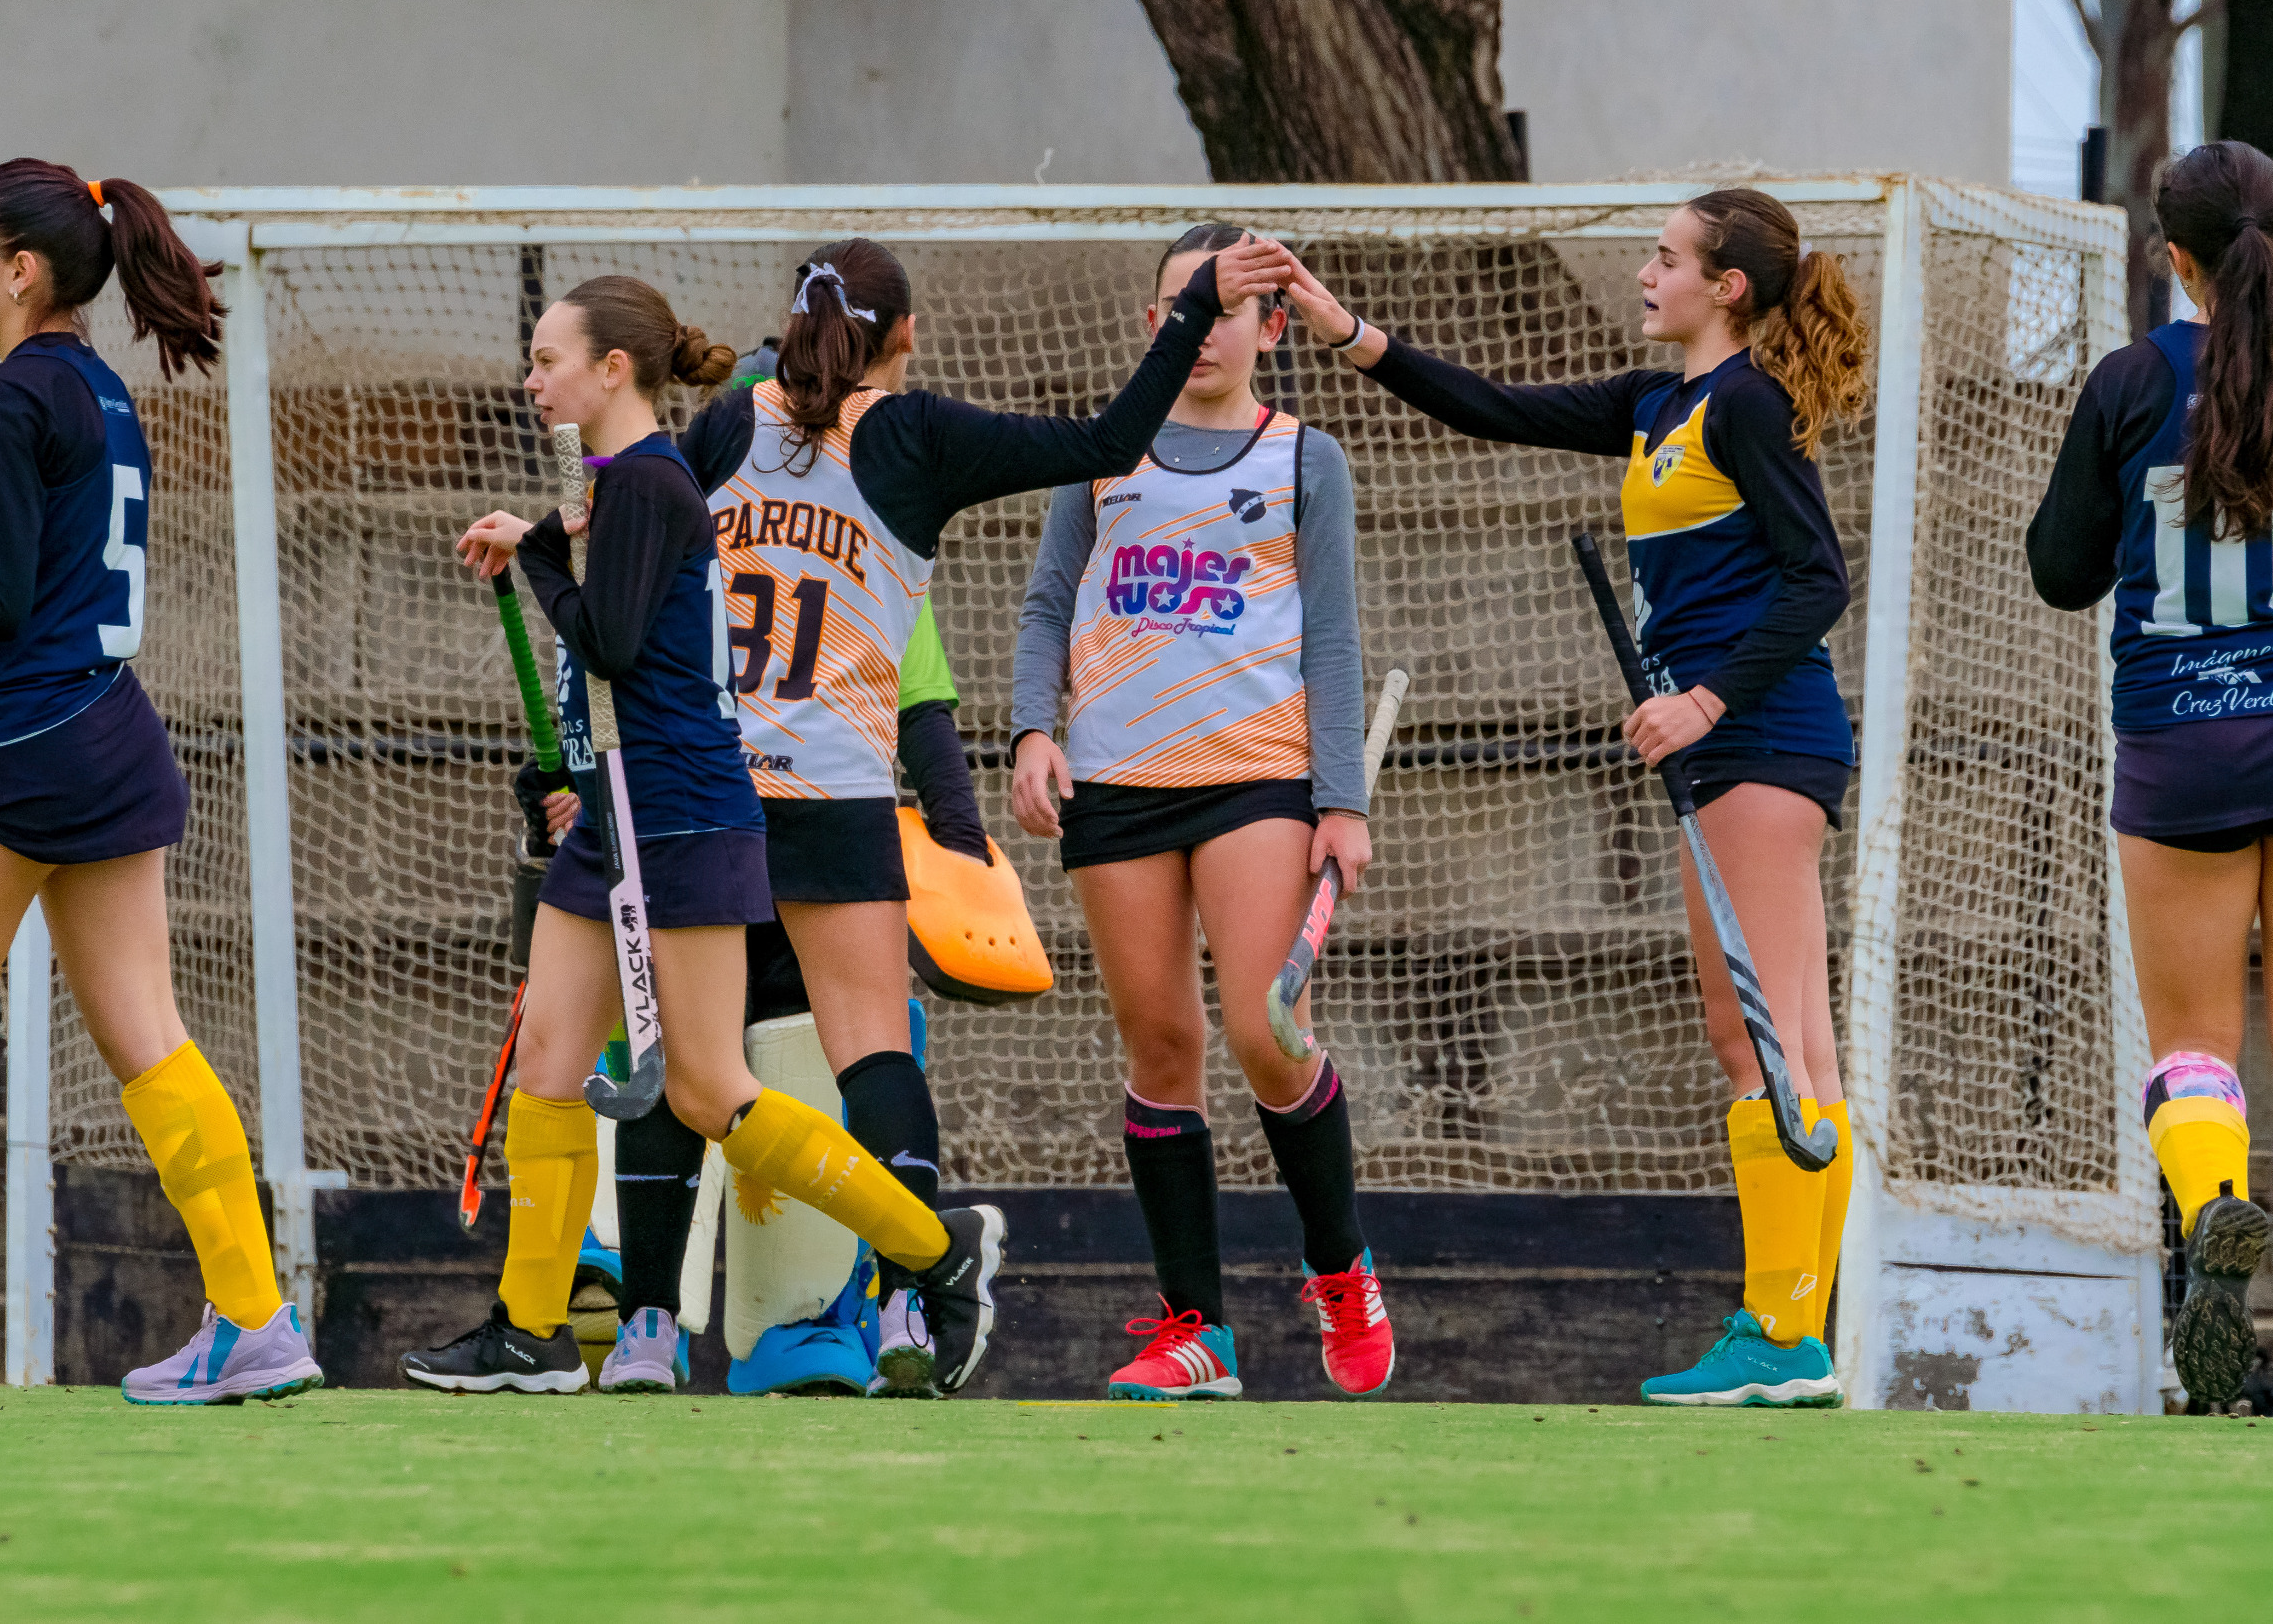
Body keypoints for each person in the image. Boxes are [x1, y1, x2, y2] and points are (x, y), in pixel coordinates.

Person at [1273, 191, 1869, 1408]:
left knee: (1760, 1034)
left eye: (1666, 259)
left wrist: (1701, 699)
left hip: (1759, 734)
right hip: (1733, 747)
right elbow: (1494, 407)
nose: (1644, 273)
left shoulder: (1746, 404)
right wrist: (1346, 331)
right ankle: (1795, 1330)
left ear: (1729, 288)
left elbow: (1818, 578)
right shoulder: (1661, 404)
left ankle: (1784, 1330)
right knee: (1785, 1037)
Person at [651, 232, 1272, 1394]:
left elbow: (652, 555)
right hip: (837, 787)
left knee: (689, 1065)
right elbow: (1103, 442)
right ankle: (907, 1295)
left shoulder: (728, 425)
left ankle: (650, 1317)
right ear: (907, 334)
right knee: (870, 1051)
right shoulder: (914, 434)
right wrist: (1189, 314)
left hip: (715, 782)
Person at [413, 276, 1004, 1395]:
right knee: (548, 1061)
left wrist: (539, 559)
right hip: (618, 814)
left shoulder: (647, 480)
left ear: (613, 369)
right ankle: (528, 1327)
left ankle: (930, 1249)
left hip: (679, 814)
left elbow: (614, 639)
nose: (531, 379)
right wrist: (540, 530)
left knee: (707, 1090)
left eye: (547, 359)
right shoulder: (621, 482)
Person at [0, 159, 323, 1405]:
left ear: (22, 270)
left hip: (22, 747)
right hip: (108, 732)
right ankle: (258, 1321)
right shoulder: (102, 392)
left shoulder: (4, 399)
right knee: (147, 1037)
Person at [2028, 141, 2273, 1427]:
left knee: (2195, 1049)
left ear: (2168, 256)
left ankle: (2208, 1203)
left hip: (2178, 747)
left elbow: (2061, 570)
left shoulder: (2128, 382)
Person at [1010, 223, 1390, 1401]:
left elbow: (1331, 636)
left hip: (1254, 777)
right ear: (1154, 321)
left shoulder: (1301, 458)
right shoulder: (1099, 453)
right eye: (1188, 303)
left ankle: (1339, 1269)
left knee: (1263, 1033)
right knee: (1161, 1048)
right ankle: (1196, 1332)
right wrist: (1031, 728)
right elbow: (1042, 607)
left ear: (1271, 326)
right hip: (1116, 782)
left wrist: (1340, 800)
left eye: (1229, 307)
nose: (1207, 326)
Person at [588, 599, 1006, 1396]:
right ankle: (649, 1315)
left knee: (825, 1042)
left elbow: (914, 696)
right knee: (673, 1050)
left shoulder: (856, 506)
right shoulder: (671, 498)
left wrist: (958, 833)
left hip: (814, 813)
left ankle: (850, 1308)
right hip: (696, 806)